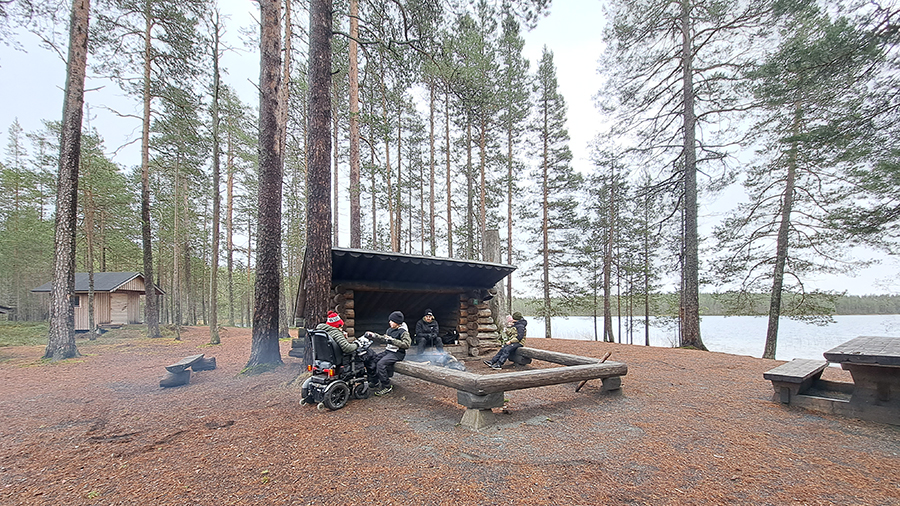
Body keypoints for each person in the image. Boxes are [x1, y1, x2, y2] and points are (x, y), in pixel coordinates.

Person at [363, 310, 411, 396]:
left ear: (397, 322)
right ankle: (375, 381)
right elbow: (383, 338)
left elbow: (406, 344)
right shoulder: (389, 330)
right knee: (373, 360)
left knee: (381, 364)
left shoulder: (403, 332)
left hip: (397, 353)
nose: (390, 322)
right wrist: (373, 335)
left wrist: (393, 341)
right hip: (388, 351)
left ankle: (387, 386)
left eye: (392, 321)